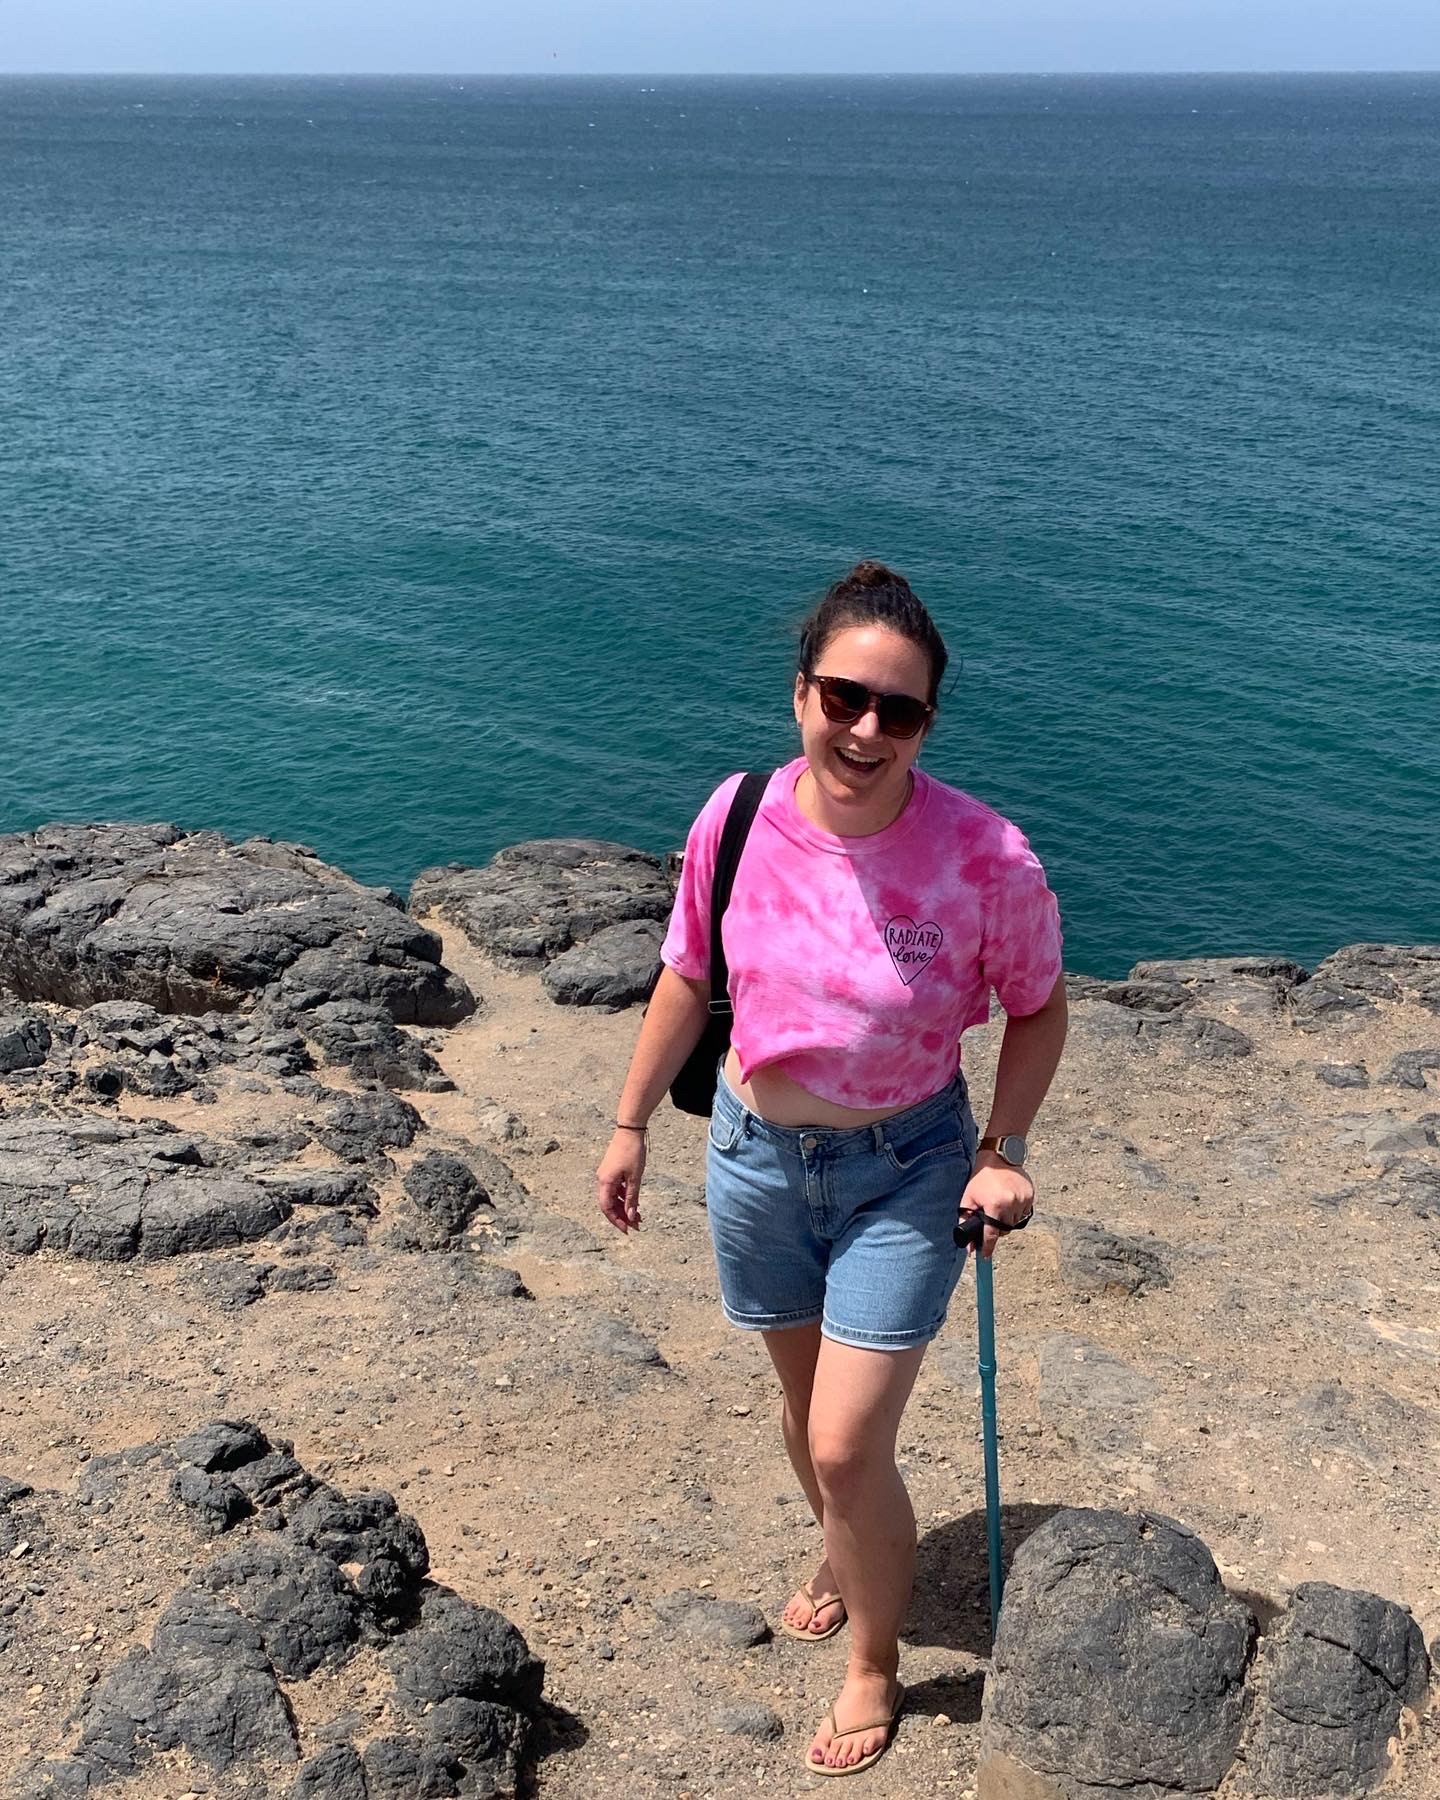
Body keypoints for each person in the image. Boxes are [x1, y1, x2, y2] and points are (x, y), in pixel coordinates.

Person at [594, 561, 1067, 1776]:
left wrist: (1001, 1150)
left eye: (897, 712)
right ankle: (845, 1545)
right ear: (800, 691)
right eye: (843, 698)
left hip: (907, 1168)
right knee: (808, 1418)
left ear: (926, 724)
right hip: (753, 1156)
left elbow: (1039, 1006)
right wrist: (633, 1120)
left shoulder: (985, 858)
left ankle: (874, 1660)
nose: (866, 730)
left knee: (850, 1442)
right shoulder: (737, 813)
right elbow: (689, 974)